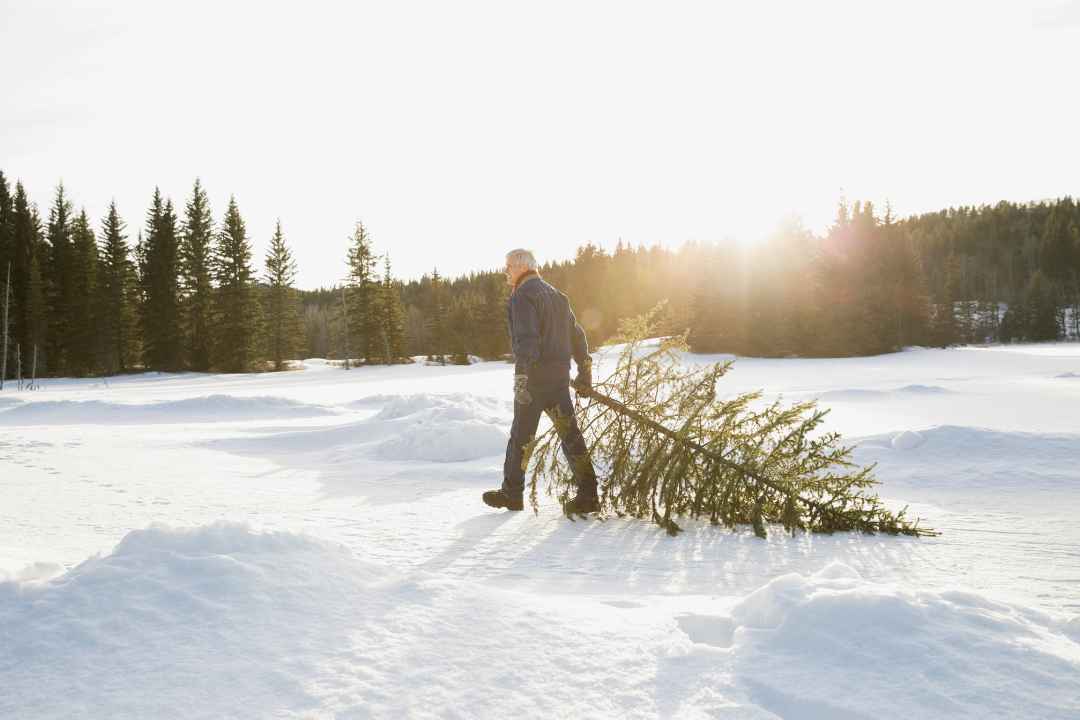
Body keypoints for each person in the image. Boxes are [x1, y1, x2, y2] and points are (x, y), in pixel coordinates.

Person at [482, 248, 599, 514]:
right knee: (571, 436)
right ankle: (589, 494)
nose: (505, 273)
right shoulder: (558, 296)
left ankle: (512, 494)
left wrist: (521, 380)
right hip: (558, 381)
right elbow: (577, 335)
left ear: (520, 267)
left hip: (534, 382)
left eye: (508, 267)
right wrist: (585, 369)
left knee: (521, 436)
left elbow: (527, 341)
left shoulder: (522, 296)